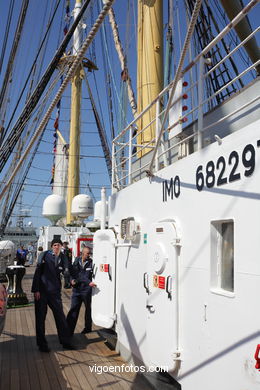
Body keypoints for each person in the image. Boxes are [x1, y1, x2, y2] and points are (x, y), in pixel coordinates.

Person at [31, 238, 75, 352]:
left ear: (61, 246)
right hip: (42, 291)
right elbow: (38, 272)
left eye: (58, 245)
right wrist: (36, 290)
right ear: (51, 246)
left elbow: (69, 271)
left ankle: (66, 342)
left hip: (55, 293)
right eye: (55, 245)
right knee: (40, 318)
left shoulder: (63, 258)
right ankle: (42, 345)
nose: (56, 247)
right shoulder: (45, 256)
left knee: (60, 317)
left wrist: (74, 280)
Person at [67, 246, 96, 336]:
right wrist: (71, 280)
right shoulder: (76, 261)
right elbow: (72, 273)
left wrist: (89, 282)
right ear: (82, 253)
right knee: (74, 309)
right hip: (77, 290)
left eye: (90, 253)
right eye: (87, 253)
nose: (89, 255)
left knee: (88, 309)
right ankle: (68, 330)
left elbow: (86, 276)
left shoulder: (91, 263)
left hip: (86, 290)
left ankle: (88, 328)